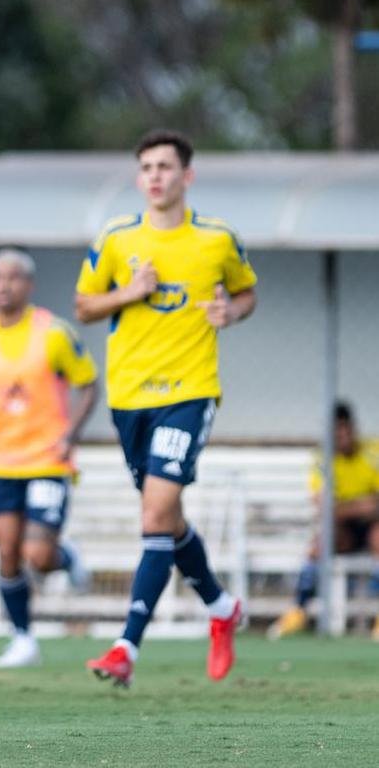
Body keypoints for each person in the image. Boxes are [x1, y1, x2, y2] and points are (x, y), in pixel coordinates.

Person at [75, 129, 258, 688]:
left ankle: (126, 645)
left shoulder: (217, 240)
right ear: (139, 178)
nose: (155, 175)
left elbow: (247, 291)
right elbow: (84, 306)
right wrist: (128, 292)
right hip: (129, 399)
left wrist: (233, 311)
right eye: (147, 167)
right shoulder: (115, 238)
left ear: (187, 177)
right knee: (168, 520)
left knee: (155, 516)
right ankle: (223, 607)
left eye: (165, 167)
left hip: (189, 390)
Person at [0, 247, 97, 669]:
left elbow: (88, 384)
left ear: (28, 285)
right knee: (8, 550)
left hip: (48, 459)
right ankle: (23, 639)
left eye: (12, 277)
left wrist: (71, 434)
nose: (3, 284)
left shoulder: (54, 333)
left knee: (38, 555)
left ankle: (65, 558)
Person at [269, 402, 379, 640]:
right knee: (321, 542)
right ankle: (299, 609)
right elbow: (324, 508)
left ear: (353, 428)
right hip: (344, 529)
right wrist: (364, 504)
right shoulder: (323, 459)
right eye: (337, 431)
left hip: (373, 524)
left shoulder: (372, 451)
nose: (343, 436)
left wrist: (346, 507)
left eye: (346, 429)